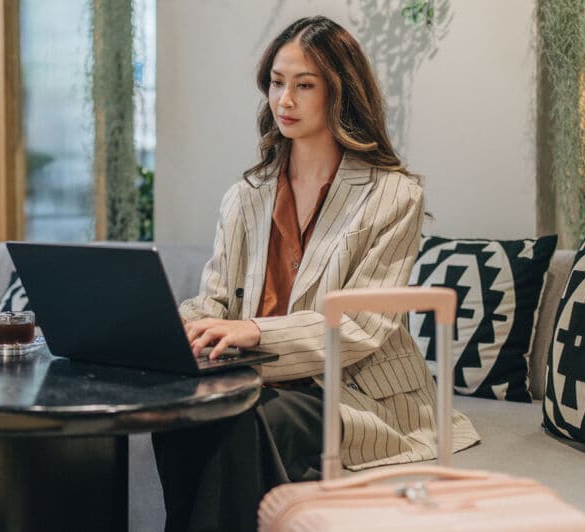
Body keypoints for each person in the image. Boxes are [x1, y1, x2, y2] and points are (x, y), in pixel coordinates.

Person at [151, 15, 479, 532]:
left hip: (347, 390)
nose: (285, 100)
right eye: (278, 83)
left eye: (305, 85)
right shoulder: (245, 196)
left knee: (240, 422)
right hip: (251, 376)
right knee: (178, 414)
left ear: (340, 93)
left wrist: (254, 330)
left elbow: (363, 327)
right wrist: (184, 327)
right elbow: (214, 299)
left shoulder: (393, 195)